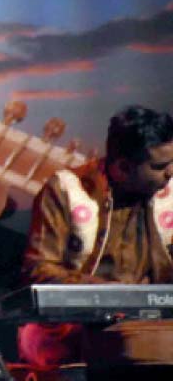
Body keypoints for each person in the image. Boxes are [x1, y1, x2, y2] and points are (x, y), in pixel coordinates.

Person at [18, 105, 173, 366]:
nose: (170, 173)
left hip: (153, 326)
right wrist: (112, 294)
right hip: (73, 328)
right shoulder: (67, 190)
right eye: (159, 166)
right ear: (123, 167)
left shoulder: (168, 194)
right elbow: (39, 270)